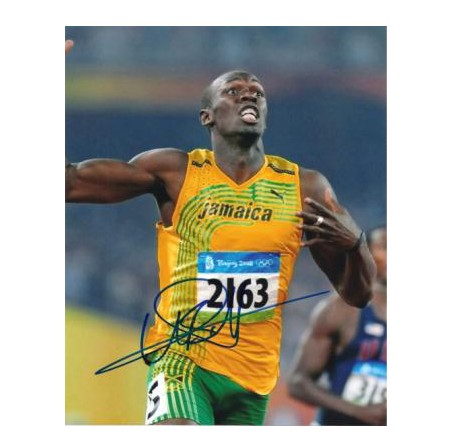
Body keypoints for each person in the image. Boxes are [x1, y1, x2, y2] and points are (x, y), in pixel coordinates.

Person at [65, 39, 376, 425]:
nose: (249, 94)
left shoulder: (304, 187)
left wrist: (356, 244)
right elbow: (69, 183)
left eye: (257, 92)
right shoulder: (176, 172)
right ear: (207, 116)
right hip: (181, 359)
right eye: (233, 90)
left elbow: (358, 294)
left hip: (253, 377)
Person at [287, 225, 387, 425]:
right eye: (386, 246)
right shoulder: (342, 308)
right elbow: (298, 382)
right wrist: (359, 411)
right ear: (367, 255)